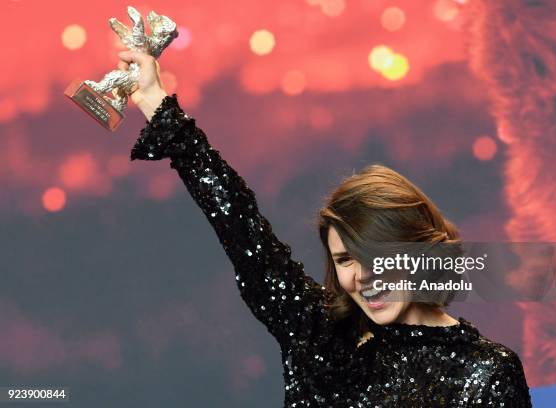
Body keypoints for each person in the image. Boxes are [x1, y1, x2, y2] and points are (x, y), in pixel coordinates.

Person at [119, 50, 532, 407]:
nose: (363, 275)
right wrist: (156, 102)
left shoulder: (487, 375)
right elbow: (240, 225)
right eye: (345, 259)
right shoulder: (319, 337)